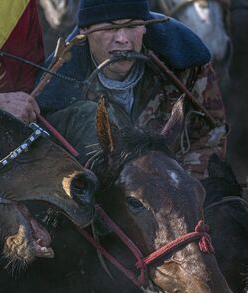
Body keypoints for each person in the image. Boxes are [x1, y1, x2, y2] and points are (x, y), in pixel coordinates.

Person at [37, 0, 227, 179]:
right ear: (85, 31)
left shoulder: (186, 65)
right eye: (110, 28)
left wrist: (180, 188)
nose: (122, 39)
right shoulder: (57, 90)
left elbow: (210, 137)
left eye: (131, 26)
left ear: (145, 26)